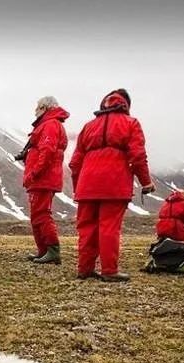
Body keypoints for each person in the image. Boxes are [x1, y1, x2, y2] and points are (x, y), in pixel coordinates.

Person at [69, 88, 155, 281]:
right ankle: (109, 271)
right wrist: (146, 182)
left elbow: (75, 163)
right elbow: (138, 156)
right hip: (115, 184)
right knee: (109, 227)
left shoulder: (88, 126)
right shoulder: (131, 123)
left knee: (86, 228)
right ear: (126, 105)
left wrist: (78, 188)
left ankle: (85, 269)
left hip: (87, 186)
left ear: (104, 104)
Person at [20, 96, 70, 264]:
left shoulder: (50, 125)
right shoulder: (49, 124)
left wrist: (35, 172)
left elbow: (47, 150)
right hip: (41, 178)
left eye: (37, 107)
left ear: (44, 108)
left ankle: (52, 251)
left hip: (42, 178)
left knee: (42, 214)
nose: (35, 111)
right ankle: (43, 251)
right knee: (37, 215)